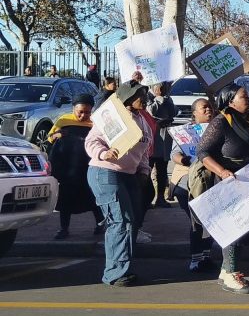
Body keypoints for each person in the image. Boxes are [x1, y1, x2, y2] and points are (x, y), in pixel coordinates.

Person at [197, 83, 249, 294]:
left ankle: (226, 270)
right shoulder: (220, 122)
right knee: (232, 228)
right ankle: (232, 274)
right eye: (244, 97)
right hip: (230, 181)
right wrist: (222, 171)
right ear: (230, 100)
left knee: (245, 229)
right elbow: (203, 152)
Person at [84, 82, 153, 286]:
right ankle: (114, 273)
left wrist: (144, 170)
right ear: (128, 98)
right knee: (120, 221)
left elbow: (144, 151)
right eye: (139, 94)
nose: (144, 98)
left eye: (144, 94)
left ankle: (123, 267)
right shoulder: (113, 116)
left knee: (131, 222)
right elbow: (91, 141)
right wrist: (104, 153)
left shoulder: (143, 122)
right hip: (105, 172)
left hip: (129, 175)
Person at [48, 94, 104, 239]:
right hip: (67, 167)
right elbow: (49, 138)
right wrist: (57, 136)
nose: (84, 115)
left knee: (93, 197)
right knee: (66, 198)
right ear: (73, 109)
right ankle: (63, 229)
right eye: (80, 112)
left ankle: (100, 225)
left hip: (88, 165)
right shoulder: (64, 120)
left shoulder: (96, 122)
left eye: (88, 112)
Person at [170, 98, 214, 272]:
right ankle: (196, 260)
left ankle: (205, 256)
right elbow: (174, 153)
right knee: (197, 222)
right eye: (204, 108)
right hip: (188, 184)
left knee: (210, 221)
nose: (208, 110)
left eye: (210, 107)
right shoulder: (185, 132)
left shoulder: (217, 128)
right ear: (194, 113)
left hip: (211, 182)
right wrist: (186, 160)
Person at [147, 82, 176, 207]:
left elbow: (174, 112)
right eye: (162, 87)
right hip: (152, 137)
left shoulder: (167, 98)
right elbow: (150, 111)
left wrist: (166, 99)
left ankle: (160, 198)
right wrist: (158, 98)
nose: (164, 89)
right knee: (147, 169)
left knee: (162, 170)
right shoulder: (147, 96)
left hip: (163, 139)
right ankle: (146, 198)